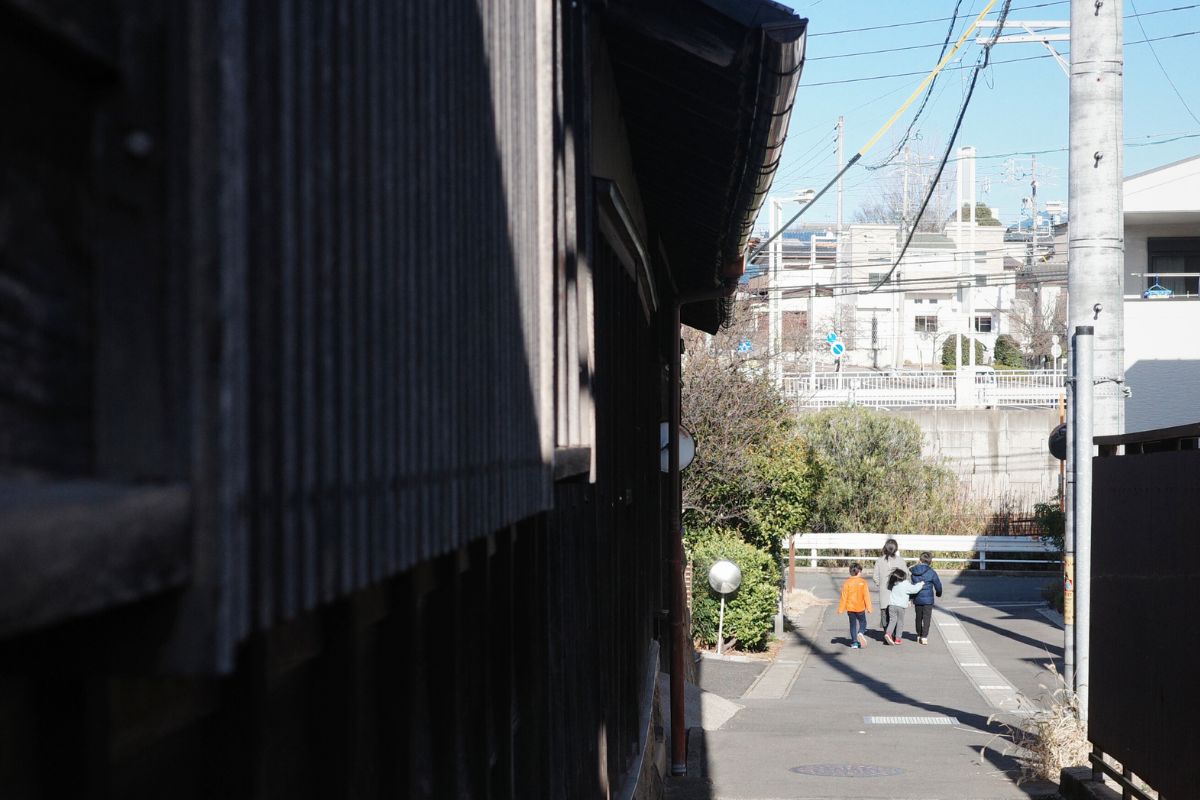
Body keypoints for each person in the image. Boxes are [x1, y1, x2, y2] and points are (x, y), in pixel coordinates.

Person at [909, 551, 944, 645]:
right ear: (930, 562)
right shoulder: (932, 572)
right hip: (928, 600)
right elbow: (938, 584)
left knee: (918, 617)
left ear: (920, 560)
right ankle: (924, 637)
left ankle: (919, 634)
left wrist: (911, 598)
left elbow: (913, 586)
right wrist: (938, 593)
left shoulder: (914, 572)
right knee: (927, 618)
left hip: (917, 598)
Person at [872, 538, 907, 632]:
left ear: (885, 548)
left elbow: (875, 577)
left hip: (884, 593)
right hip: (898, 593)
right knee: (897, 616)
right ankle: (895, 634)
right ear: (896, 549)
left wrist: (881, 584)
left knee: (885, 614)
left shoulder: (879, 560)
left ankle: (887, 633)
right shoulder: (901, 560)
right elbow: (906, 575)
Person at [835, 562, 873, 648]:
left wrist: (841, 609)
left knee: (852, 625)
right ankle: (860, 633)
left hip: (850, 608)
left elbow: (844, 597)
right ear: (859, 571)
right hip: (860, 608)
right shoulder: (863, 582)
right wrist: (869, 608)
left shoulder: (847, 583)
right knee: (863, 622)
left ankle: (854, 643)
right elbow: (866, 596)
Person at [883, 568, 924, 645]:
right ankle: (898, 639)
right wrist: (920, 584)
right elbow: (914, 589)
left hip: (891, 605)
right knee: (900, 622)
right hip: (900, 607)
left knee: (892, 620)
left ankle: (888, 633)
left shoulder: (895, 584)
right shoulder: (905, 584)